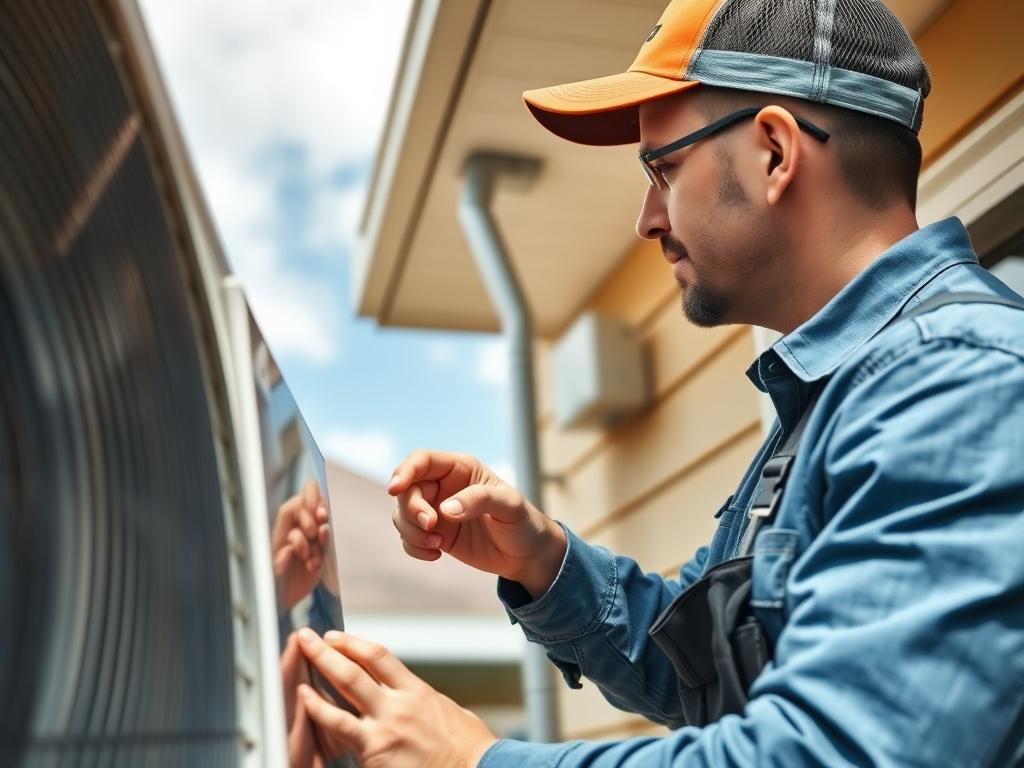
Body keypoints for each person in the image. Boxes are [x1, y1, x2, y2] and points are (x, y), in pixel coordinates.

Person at [295, 0, 1024, 764]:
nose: (646, 218)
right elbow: (707, 666)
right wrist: (542, 561)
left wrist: (477, 761)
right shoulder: (840, 397)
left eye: (663, 168)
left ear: (775, 152)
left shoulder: (953, 382)